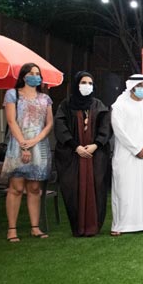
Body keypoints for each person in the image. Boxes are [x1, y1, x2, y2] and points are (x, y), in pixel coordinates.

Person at [54, 71, 112, 237]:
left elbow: (106, 127)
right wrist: (76, 147)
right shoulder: (66, 105)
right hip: (73, 155)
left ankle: (93, 227)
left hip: (95, 155)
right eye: (83, 82)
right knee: (73, 189)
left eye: (90, 83)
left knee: (97, 187)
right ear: (76, 84)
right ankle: (78, 227)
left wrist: (96, 144)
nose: (87, 86)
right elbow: (60, 127)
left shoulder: (99, 105)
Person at [1, 63, 54, 242]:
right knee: (16, 187)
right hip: (17, 145)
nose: (35, 76)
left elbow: (49, 124)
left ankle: (35, 227)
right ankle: (12, 229)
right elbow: (11, 121)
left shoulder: (45, 99)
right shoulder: (12, 94)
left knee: (34, 188)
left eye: (38, 73)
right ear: (23, 76)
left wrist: (35, 141)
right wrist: (24, 145)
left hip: (39, 146)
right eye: (31, 73)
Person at [110, 74, 143, 236]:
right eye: (139, 85)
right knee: (125, 189)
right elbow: (119, 130)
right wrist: (136, 149)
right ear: (131, 87)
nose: (142, 88)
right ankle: (121, 225)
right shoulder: (120, 106)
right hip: (126, 155)